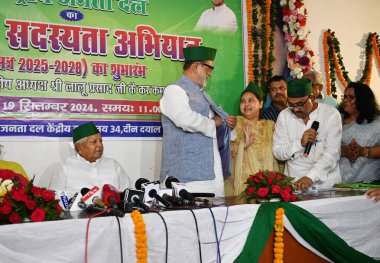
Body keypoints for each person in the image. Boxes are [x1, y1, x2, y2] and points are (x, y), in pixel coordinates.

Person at [160, 46, 236, 197]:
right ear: (195, 67)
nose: (211, 74)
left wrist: (228, 125)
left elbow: (215, 126)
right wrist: (214, 123)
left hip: (210, 174)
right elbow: (184, 119)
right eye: (209, 68)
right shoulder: (174, 90)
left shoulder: (204, 95)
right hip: (186, 178)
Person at [273, 78, 342, 190]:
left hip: (325, 185)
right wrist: (299, 144)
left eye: (300, 104)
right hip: (294, 183)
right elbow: (278, 152)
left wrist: (310, 177)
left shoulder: (331, 114)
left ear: (313, 97)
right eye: (291, 105)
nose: (295, 109)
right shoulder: (284, 116)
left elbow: (332, 154)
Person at [224, 82, 279, 196]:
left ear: (261, 104)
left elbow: (278, 155)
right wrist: (243, 145)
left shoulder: (270, 126)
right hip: (242, 186)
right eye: (243, 101)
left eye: (251, 100)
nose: (246, 104)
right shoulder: (234, 123)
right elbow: (225, 154)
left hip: (268, 186)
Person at [47, 122, 131, 196]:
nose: (100, 145)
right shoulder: (65, 166)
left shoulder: (113, 164)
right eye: (94, 142)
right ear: (79, 147)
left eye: (101, 141)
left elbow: (128, 191)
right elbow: (55, 197)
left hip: (113, 213)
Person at [339, 82, 380, 183]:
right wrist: (344, 151)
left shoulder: (377, 123)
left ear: (363, 100)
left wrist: (363, 151)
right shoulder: (336, 119)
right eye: (344, 97)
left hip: (368, 181)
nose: (345, 100)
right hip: (339, 180)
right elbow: (324, 146)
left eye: (350, 97)